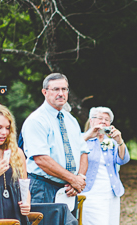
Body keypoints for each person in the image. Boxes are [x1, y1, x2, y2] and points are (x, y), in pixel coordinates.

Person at [79, 107, 129, 225]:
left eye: (106, 119)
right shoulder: (82, 139)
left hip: (112, 194)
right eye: (98, 118)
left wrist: (120, 141)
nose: (102, 122)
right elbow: (71, 151)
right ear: (91, 120)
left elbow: (123, 160)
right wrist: (88, 135)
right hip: (91, 195)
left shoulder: (111, 142)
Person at [22, 73, 88, 204]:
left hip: (69, 189)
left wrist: (78, 178)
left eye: (64, 89)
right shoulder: (36, 120)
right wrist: (73, 179)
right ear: (44, 92)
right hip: (43, 188)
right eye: (56, 89)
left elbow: (83, 152)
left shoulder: (71, 120)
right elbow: (41, 159)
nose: (61, 93)